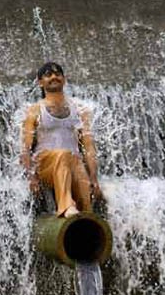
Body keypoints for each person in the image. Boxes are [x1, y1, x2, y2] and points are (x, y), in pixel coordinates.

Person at [20, 62, 103, 218]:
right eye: (48, 75)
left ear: (64, 79)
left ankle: (85, 226)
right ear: (40, 82)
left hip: (72, 162)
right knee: (63, 155)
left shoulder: (80, 109)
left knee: (85, 199)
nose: (54, 77)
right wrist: (31, 178)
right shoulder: (35, 110)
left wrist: (94, 178)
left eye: (58, 74)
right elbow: (26, 148)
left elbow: (89, 147)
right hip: (44, 164)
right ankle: (66, 207)